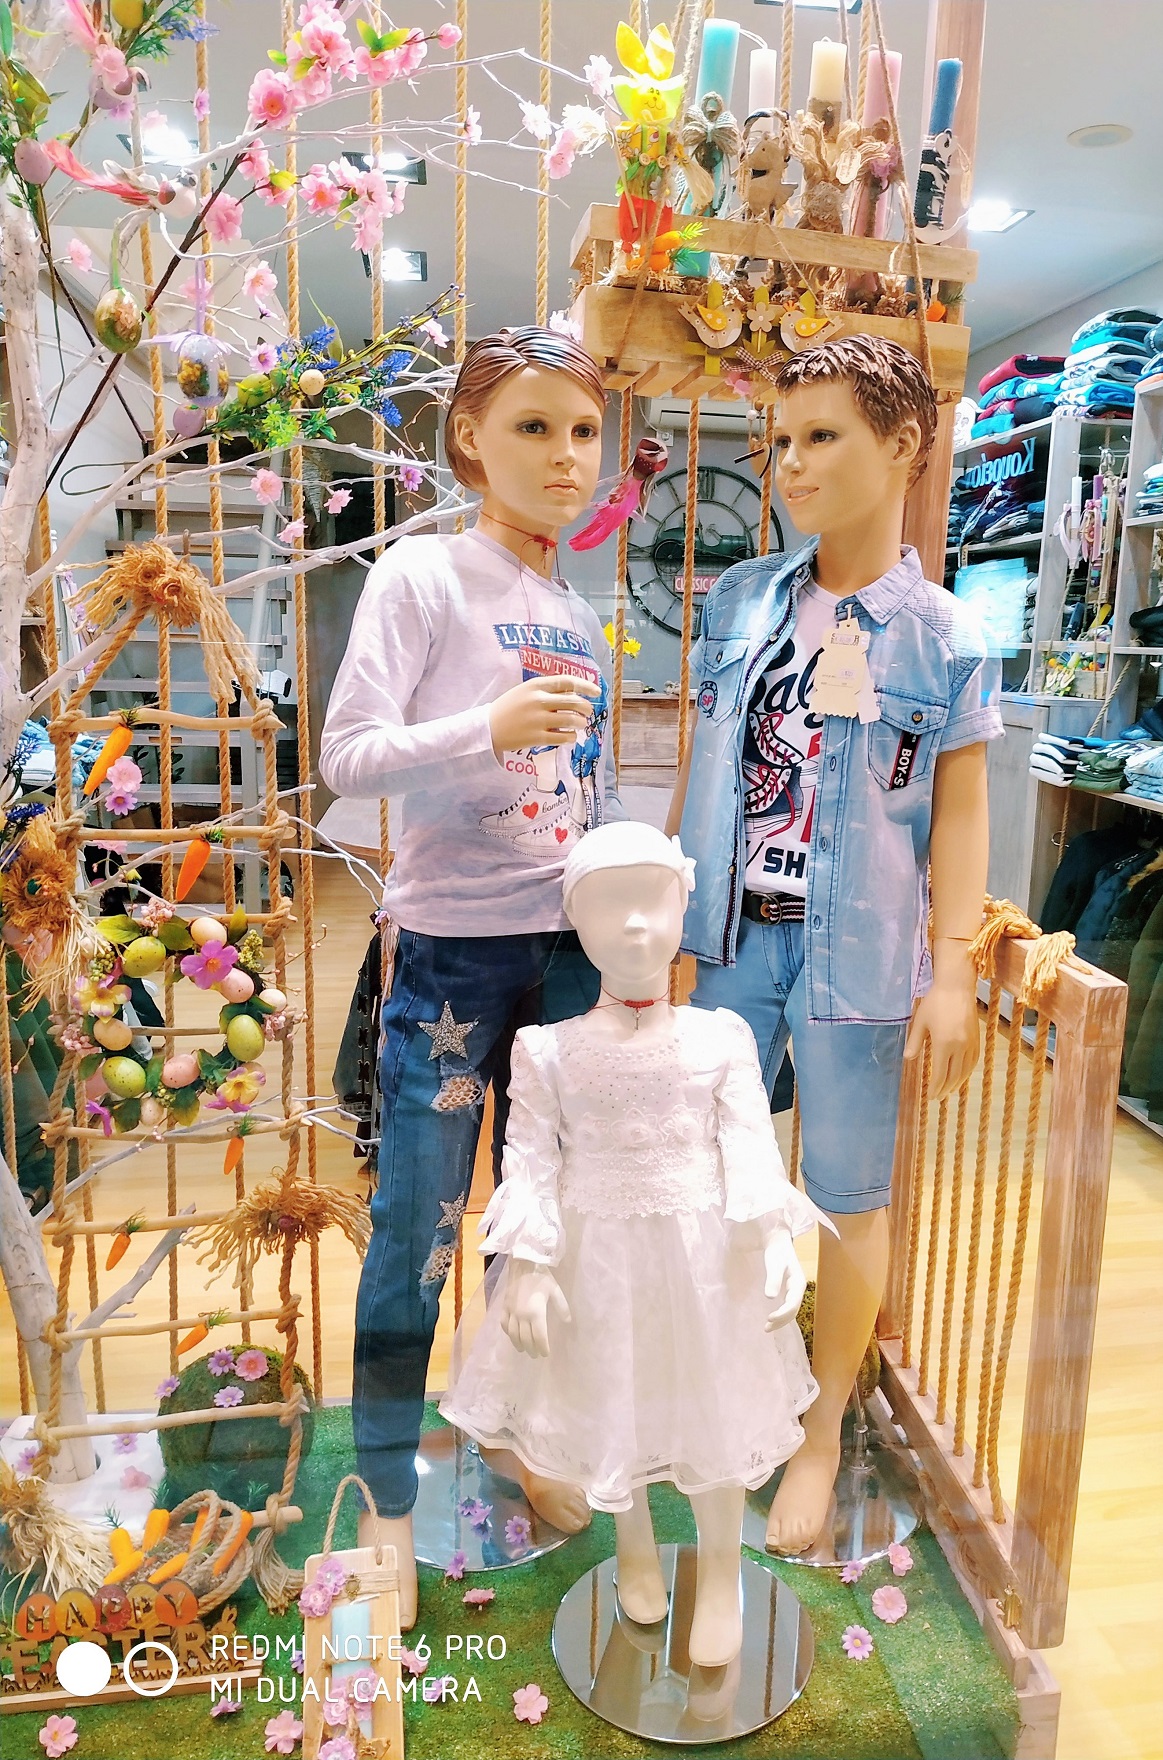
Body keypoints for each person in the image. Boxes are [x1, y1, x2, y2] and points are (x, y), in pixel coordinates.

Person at [668, 335, 1003, 1555]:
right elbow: (704, 762)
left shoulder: (945, 636)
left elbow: (957, 814)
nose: (790, 465)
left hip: (856, 954)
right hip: (728, 938)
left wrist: (953, 969)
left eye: (821, 436)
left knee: (847, 1192)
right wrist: (664, 924)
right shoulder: (741, 599)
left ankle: (817, 1433)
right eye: (780, 441)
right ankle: (726, 1392)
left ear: (901, 445)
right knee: (710, 1176)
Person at [319, 326, 622, 1625]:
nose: (564, 457)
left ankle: (512, 1429)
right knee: (418, 1228)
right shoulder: (421, 576)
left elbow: (578, 785)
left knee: (538, 1221)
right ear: (469, 439)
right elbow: (346, 755)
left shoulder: (576, 613)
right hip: (450, 949)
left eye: (582, 431)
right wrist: (482, 727)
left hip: (566, 951)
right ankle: (386, 1496)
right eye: (533, 427)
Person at [440, 821, 826, 1667]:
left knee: (711, 1402)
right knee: (614, 1394)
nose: (635, 924)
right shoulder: (547, 1050)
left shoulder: (720, 1037)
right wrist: (529, 1263)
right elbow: (528, 1160)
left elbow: (749, 1144)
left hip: (705, 1255)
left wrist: (772, 1238)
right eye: (608, 905)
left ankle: (719, 1570)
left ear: (684, 906)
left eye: (652, 900)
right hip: (598, 1257)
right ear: (574, 921)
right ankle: (636, 1548)